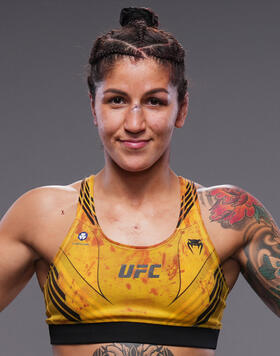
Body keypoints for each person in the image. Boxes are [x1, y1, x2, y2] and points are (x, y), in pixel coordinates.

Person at [0, 6, 279, 356]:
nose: (134, 123)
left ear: (183, 109)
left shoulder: (229, 217)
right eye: (117, 100)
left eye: (154, 102)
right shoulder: (41, 215)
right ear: (93, 107)